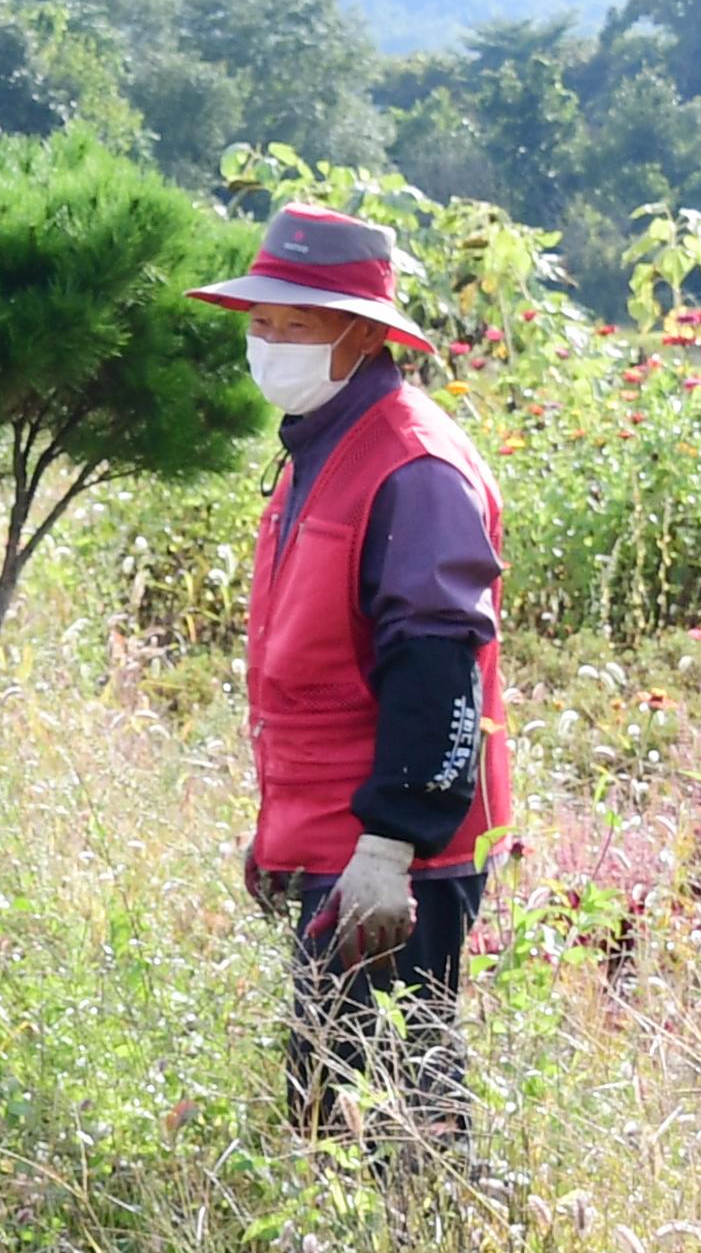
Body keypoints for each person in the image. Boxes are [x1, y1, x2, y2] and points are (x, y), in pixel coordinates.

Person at [189, 202, 514, 1128]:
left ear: (364, 336)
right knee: (327, 1099)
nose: (271, 343)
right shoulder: (318, 443)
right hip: (333, 835)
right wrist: (281, 834)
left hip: (396, 853)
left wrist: (389, 846)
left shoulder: (414, 466)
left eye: (298, 325)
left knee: (396, 1111)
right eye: (262, 323)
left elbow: (440, 668)